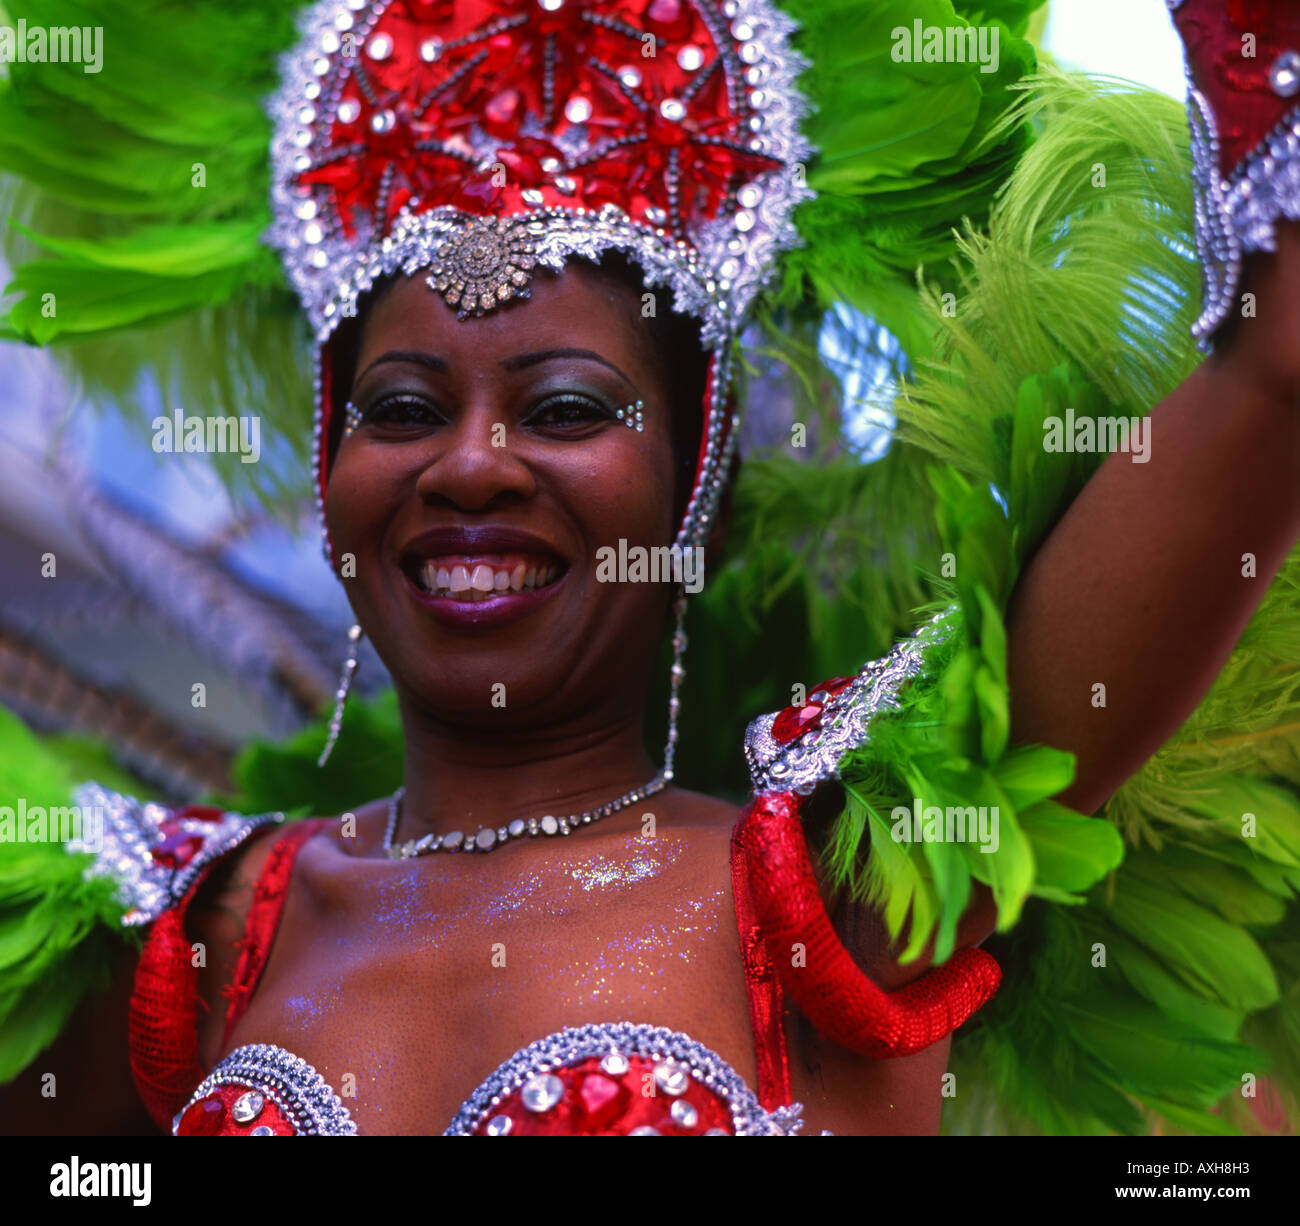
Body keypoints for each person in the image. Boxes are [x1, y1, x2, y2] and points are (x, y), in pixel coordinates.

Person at [1, 0, 1297, 1136]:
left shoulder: (829, 898)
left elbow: (1272, 378)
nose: (470, 466)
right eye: (399, 409)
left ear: (696, 486)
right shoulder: (206, 938)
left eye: (564, 409)